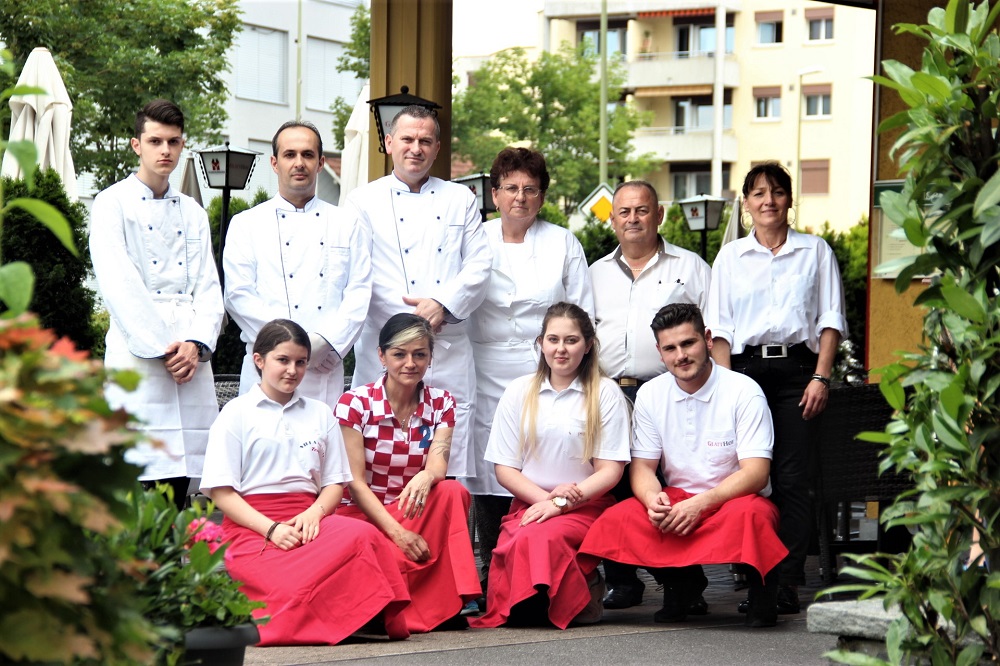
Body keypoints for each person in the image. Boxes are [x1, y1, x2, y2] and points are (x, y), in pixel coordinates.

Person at [200, 319, 411, 645]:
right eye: (283, 360)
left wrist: (315, 514)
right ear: (259, 360)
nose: (292, 370)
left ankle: (363, 616)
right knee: (290, 587)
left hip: (311, 520)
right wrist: (271, 529)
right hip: (252, 527)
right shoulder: (235, 414)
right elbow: (221, 492)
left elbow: (334, 484)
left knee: (364, 536)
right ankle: (336, 617)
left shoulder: (320, 413)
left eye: (300, 362)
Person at [580, 303, 787, 627]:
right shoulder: (651, 393)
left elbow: (757, 473)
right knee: (617, 520)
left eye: (688, 343)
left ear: (707, 339)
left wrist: (702, 503)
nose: (681, 355)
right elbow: (643, 468)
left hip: (735, 498)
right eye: (670, 348)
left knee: (754, 517)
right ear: (660, 353)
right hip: (678, 497)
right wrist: (653, 499)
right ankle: (681, 583)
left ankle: (763, 592)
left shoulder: (744, 391)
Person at [705, 161, 848, 614]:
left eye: (778, 192)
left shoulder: (816, 251)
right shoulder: (730, 257)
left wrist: (821, 376)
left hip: (798, 374)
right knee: (747, 476)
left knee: (791, 479)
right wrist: (726, 388)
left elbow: (830, 319)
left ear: (789, 199)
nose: (769, 201)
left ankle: (785, 580)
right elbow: (719, 329)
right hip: (745, 373)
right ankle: (753, 576)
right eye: (759, 193)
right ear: (746, 204)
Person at [467, 147, 594, 596]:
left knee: (545, 458)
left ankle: (546, 565)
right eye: (511, 188)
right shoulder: (474, 239)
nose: (520, 197)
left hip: (548, 368)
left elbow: (583, 311)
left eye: (530, 189)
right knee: (489, 467)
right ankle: (491, 565)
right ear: (494, 194)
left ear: (542, 196)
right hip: (483, 367)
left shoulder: (563, 242)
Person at [90, 99, 224, 507]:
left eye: (173, 141)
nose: (165, 150)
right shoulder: (111, 203)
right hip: (139, 354)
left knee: (184, 475)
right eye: (155, 141)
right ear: (137, 145)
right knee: (140, 471)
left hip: (190, 357)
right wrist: (166, 348)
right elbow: (119, 283)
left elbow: (208, 285)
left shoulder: (194, 212)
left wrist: (196, 344)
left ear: (182, 144)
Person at [345, 105, 491, 480]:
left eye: (425, 141)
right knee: (378, 458)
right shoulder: (362, 200)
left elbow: (479, 265)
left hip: (447, 347)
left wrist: (443, 304)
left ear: (437, 148)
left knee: (447, 465)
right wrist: (409, 327)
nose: (416, 148)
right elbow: (357, 273)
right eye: (407, 139)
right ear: (389, 142)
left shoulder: (461, 198)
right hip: (386, 344)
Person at [470, 302, 631, 629]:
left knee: (544, 537)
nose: (561, 349)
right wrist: (546, 501)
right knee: (522, 541)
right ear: (540, 342)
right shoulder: (518, 391)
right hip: (530, 504)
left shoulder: (606, 393)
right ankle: (544, 600)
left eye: (571, 340)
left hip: (585, 506)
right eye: (553, 339)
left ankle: (578, 595)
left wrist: (561, 505)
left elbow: (611, 471)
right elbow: (505, 469)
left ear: (588, 345)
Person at [589, 180, 711, 610]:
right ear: (612, 220)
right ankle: (622, 580)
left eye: (642, 210)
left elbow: (714, 331)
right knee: (612, 484)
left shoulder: (691, 266)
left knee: (665, 483)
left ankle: (684, 580)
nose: (633, 219)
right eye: (624, 212)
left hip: (669, 391)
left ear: (659, 215)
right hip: (607, 392)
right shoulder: (594, 273)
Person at [335, 313, 482, 633]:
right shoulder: (354, 404)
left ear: (430, 357)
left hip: (411, 509)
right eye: (399, 354)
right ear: (381, 355)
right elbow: (354, 483)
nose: (410, 363)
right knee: (379, 543)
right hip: (365, 515)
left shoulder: (442, 402)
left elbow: (439, 465)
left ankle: (453, 598)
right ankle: (420, 603)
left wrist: (427, 475)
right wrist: (397, 533)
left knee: (453, 491)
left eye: (420, 354)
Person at [224, 120, 371, 408]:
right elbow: (238, 295)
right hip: (266, 367)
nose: (299, 163)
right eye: (290, 154)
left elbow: (359, 293)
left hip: (324, 368)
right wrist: (288, 349)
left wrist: (326, 344)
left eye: (308, 155)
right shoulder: (246, 224)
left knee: (322, 436)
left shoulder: (346, 223)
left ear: (321, 163)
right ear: (274, 163)